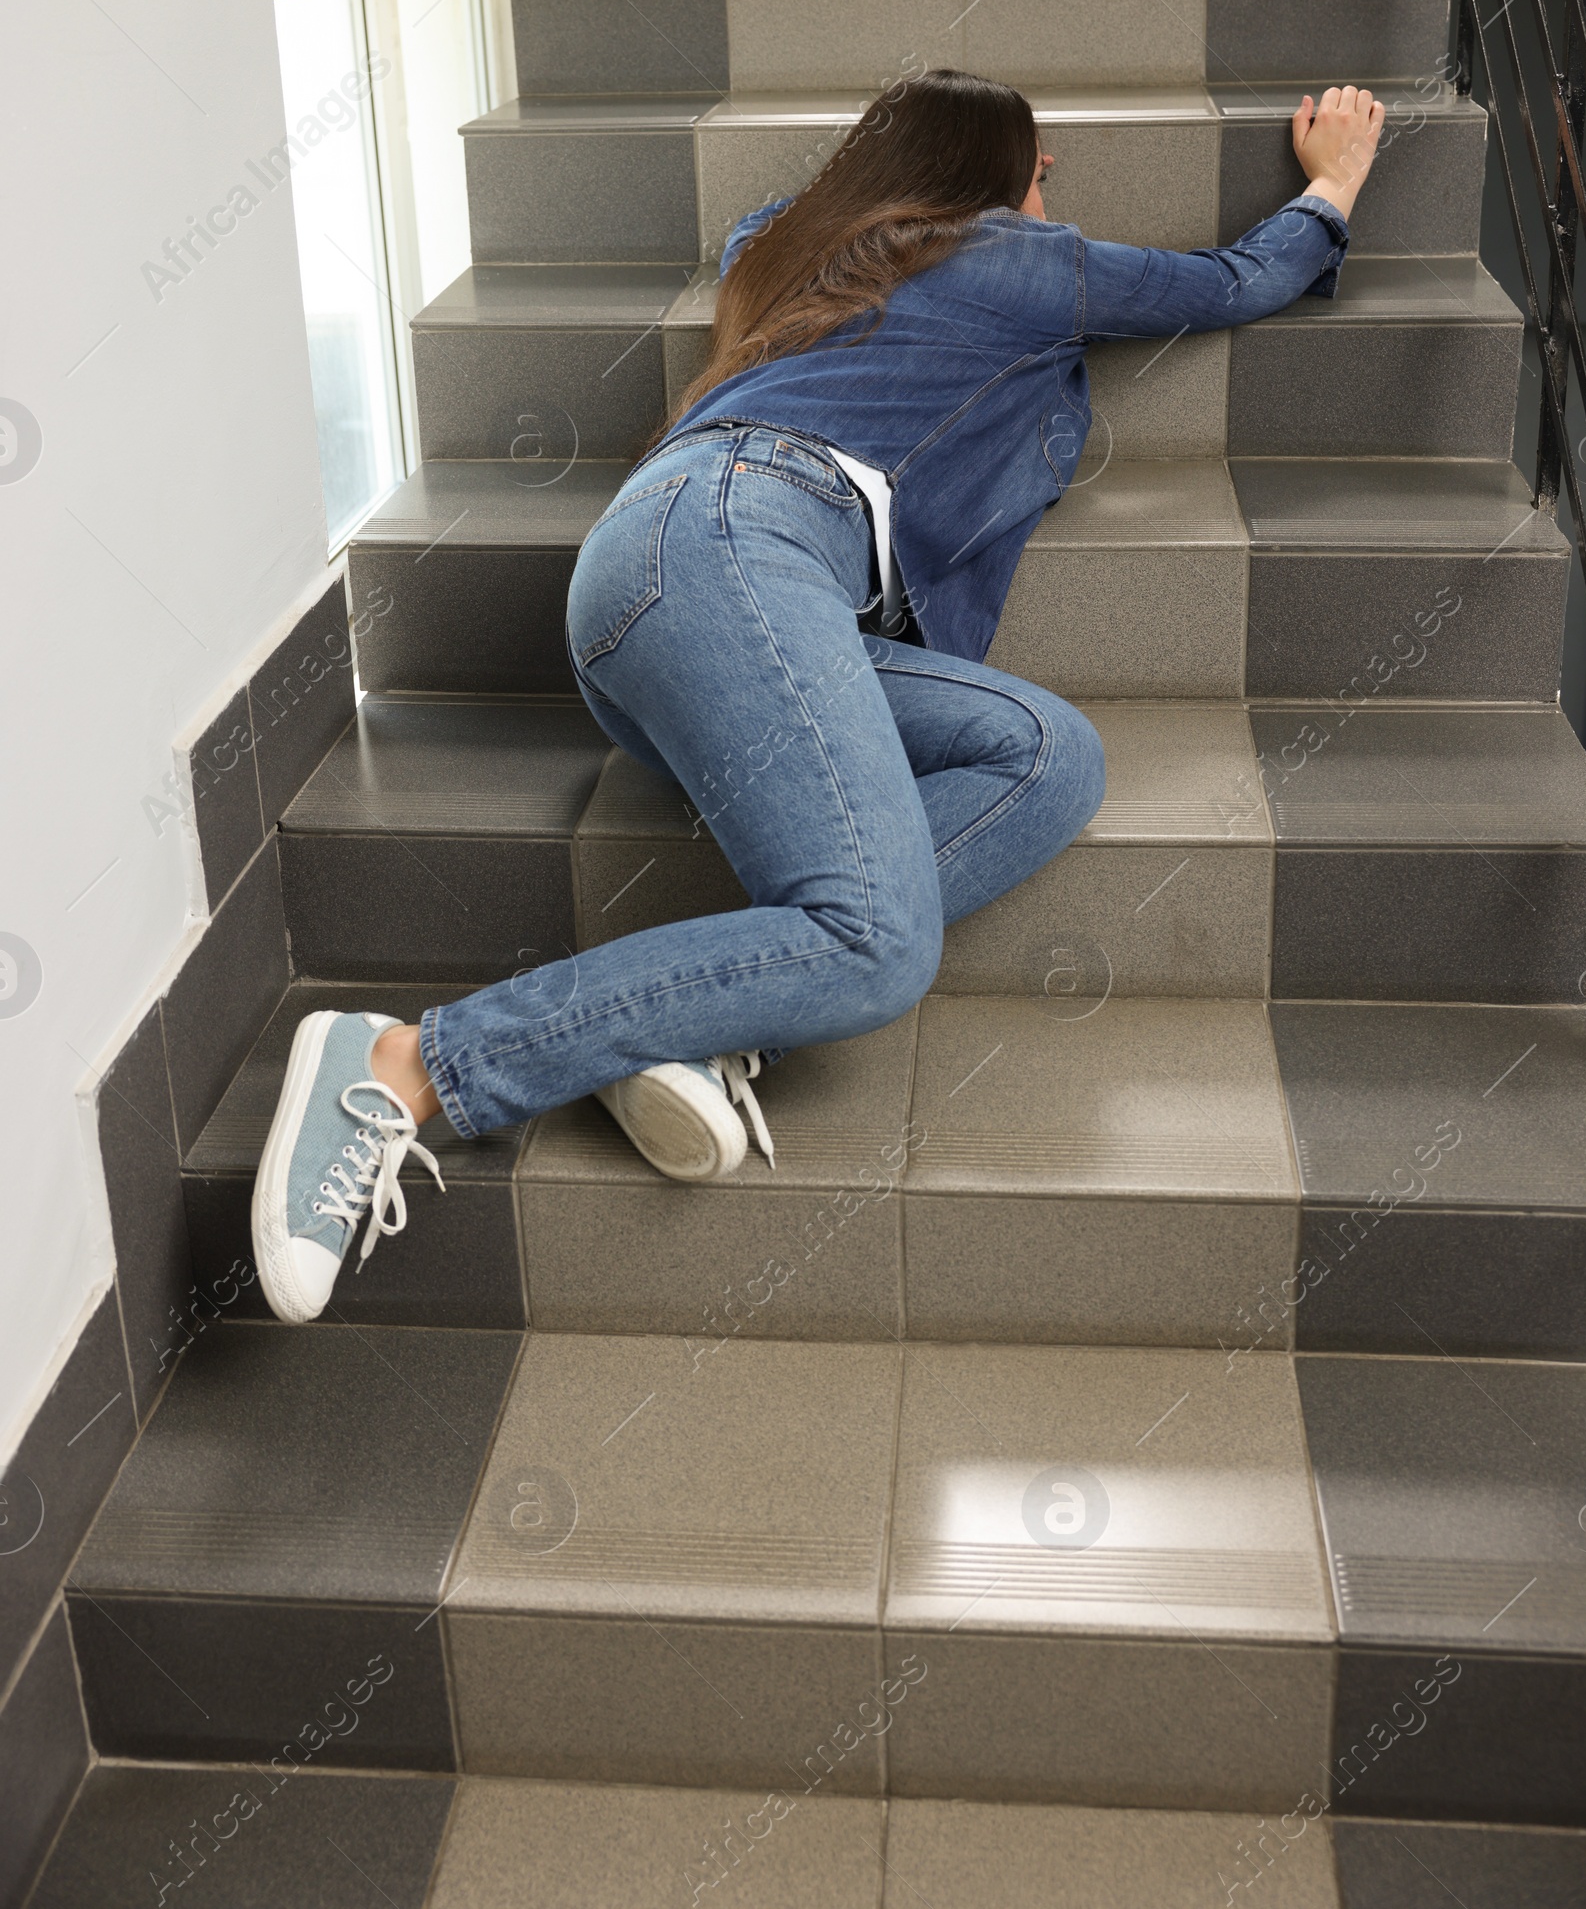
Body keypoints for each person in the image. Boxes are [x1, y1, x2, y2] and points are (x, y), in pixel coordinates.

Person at [251, 72, 1385, 1324]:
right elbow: (1226, 282)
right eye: (1036, 166)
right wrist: (1331, 183)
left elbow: (783, 223)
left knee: (1049, 755)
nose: (1048, 185)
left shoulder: (786, 256)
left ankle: (701, 1018)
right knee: (880, 943)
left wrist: (899, 173)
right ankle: (416, 1059)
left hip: (694, 591)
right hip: (740, 544)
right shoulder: (1014, 258)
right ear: (988, 177)